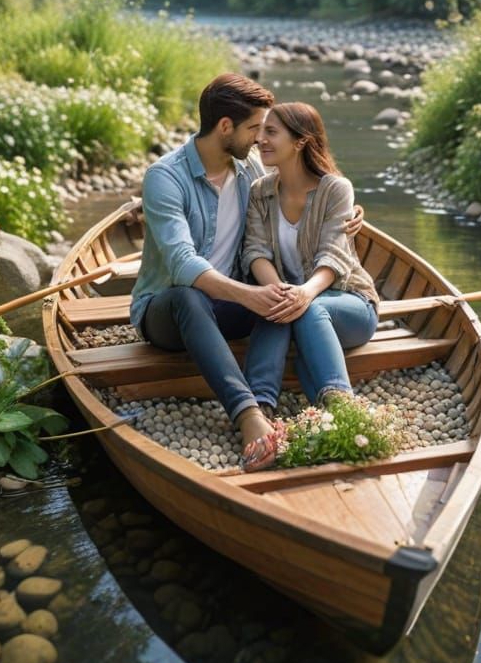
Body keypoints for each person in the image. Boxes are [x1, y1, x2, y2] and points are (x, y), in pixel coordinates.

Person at [128, 74, 362, 471]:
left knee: (277, 294)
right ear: (225, 127)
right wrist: (247, 294)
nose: (259, 139)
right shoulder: (166, 177)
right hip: (167, 311)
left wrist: (355, 212)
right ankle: (248, 416)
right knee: (193, 295)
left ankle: (269, 402)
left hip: (229, 307)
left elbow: (308, 186)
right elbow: (182, 263)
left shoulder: (251, 172)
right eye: (254, 128)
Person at [239, 102, 380, 471]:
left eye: (271, 132)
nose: (260, 139)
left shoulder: (336, 189)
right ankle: (261, 415)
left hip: (348, 303)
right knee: (274, 305)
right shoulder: (259, 191)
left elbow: (335, 258)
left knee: (306, 307)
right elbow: (254, 250)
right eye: (260, 131)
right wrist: (281, 291)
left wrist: (303, 293)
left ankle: (345, 412)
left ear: (300, 142)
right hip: (296, 303)